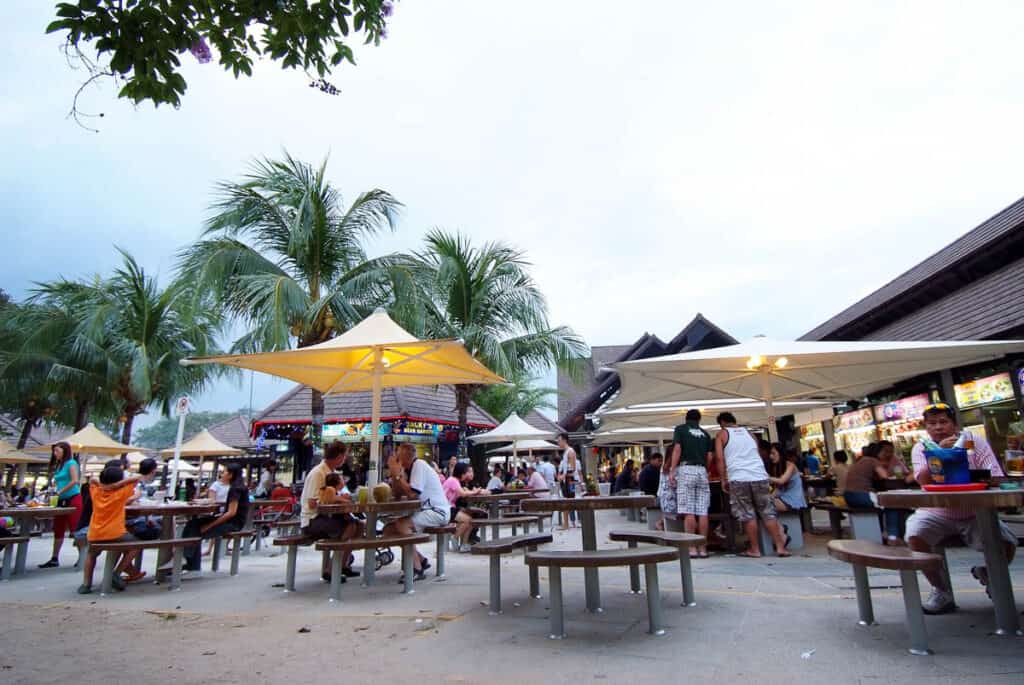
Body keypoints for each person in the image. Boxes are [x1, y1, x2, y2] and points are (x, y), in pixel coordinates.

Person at [904, 403, 1016, 615]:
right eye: (932, 423)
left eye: (943, 422)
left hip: (975, 512)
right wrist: (942, 455)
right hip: (935, 512)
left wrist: (959, 470)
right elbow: (922, 479)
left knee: (1008, 542)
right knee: (915, 537)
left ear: (954, 424)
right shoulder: (922, 447)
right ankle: (940, 590)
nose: (938, 427)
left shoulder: (973, 441)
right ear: (926, 427)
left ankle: (989, 575)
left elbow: (995, 475)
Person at [714, 412, 789, 558]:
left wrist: (723, 479)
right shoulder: (750, 433)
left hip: (739, 477)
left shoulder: (722, 434)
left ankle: (754, 549)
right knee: (768, 513)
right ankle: (780, 547)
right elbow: (756, 453)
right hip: (759, 476)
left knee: (748, 514)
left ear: (722, 422)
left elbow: (719, 458)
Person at [384, 444, 450, 580]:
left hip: (437, 511)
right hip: (426, 511)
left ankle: (415, 569)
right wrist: (396, 474)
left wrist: (397, 476)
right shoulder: (409, 469)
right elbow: (397, 494)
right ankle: (420, 560)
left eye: (398, 455)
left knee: (403, 525)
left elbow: (413, 493)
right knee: (389, 531)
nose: (396, 457)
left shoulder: (419, 465)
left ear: (404, 457)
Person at [298, 441, 362, 581]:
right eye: (344, 456)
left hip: (325, 517)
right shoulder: (318, 473)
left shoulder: (330, 472)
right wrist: (337, 499)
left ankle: (343, 565)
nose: (345, 459)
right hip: (311, 520)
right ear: (339, 456)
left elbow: (330, 496)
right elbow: (312, 502)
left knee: (358, 525)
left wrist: (339, 498)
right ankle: (333, 569)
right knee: (349, 526)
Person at [79, 462, 142, 594]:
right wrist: (117, 485)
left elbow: (92, 479)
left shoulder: (96, 491)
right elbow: (136, 477)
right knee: (136, 545)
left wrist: (106, 486)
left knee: (91, 554)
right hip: (115, 534)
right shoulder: (121, 493)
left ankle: (86, 584)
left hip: (95, 533)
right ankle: (117, 573)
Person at [179, 463, 251, 573]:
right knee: (192, 524)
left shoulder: (235, 489)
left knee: (196, 528)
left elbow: (231, 513)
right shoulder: (238, 487)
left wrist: (209, 525)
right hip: (233, 521)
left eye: (224, 472)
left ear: (231, 475)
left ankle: (186, 561)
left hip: (233, 524)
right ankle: (187, 560)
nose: (222, 474)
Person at [669, 409, 713, 558]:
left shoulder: (680, 429)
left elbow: (677, 449)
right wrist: (705, 469)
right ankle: (703, 548)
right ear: (699, 419)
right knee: (702, 511)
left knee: (689, 511)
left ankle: (692, 548)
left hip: (686, 469)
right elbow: (710, 455)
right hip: (702, 471)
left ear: (686, 418)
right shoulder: (706, 434)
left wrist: (672, 470)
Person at [844, 442, 903, 545]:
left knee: (880, 505)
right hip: (862, 495)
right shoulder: (873, 461)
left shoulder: (860, 460)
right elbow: (884, 476)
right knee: (891, 504)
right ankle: (893, 537)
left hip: (849, 495)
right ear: (877, 452)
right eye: (884, 452)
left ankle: (881, 533)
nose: (887, 455)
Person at [38, 442, 81, 569]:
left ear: (64, 451)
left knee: (75, 529)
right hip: (60, 499)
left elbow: (75, 481)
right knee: (58, 528)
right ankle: (54, 558)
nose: (54, 453)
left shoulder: (71, 463)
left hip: (73, 498)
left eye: (57, 451)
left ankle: (82, 556)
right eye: (54, 451)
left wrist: (59, 491)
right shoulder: (59, 466)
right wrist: (52, 490)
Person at [443, 462, 488, 551]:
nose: (466, 475)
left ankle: (464, 544)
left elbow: (463, 492)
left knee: (470, 519)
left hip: (450, 507)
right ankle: (455, 538)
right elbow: (463, 494)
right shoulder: (453, 480)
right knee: (468, 520)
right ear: (461, 473)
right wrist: (475, 492)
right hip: (446, 508)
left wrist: (472, 491)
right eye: (465, 472)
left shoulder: (455, 481)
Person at [766, 445, 807, 513]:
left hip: (794, 500)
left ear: (781, 454)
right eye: (770, 454)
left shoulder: (791, 465)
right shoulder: (776, 467)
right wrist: (770, 497)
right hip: (783, 498)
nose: (771, 456)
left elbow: (782, 481)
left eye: (773, 453)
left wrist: (766, 478)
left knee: (764, 504)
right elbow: (778, 488)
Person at [556, 432, 580, 529]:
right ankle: (566, 523)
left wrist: (563, 476)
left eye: (559, 441)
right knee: (565, 500)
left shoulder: (570, 451)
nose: (558, 443)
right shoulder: (566, 452)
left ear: (564, 440)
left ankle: (570, 523)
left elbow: (573, 468)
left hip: (571, 480)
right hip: (567, 480)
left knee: (569, 501)